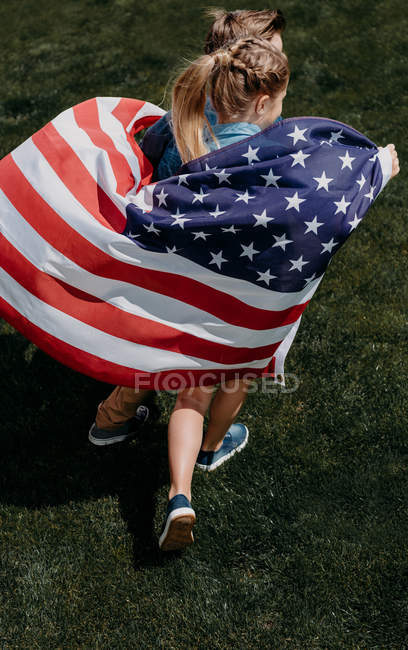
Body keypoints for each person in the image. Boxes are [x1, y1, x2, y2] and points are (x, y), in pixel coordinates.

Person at [88, 8, 286, 447]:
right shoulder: (252, 144)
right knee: (179, 348)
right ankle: (190, 437)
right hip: (210, 262)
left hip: (162, 244)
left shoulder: (181, 113)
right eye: (271, 49)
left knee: (159, 335)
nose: (281, 56)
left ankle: (112, 418)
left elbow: (148, 158)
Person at [158, 36, 291, 550]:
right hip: (246, 297)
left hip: (192, 289)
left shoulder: (188, 136)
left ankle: (180, 494)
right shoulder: (274, 154)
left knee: (190, 388)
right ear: (262, 102)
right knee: (238, 372)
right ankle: (213, 447)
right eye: (279, 103)